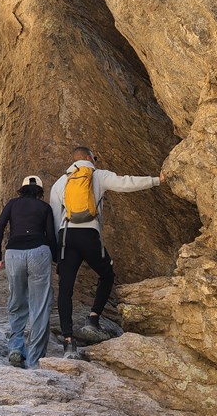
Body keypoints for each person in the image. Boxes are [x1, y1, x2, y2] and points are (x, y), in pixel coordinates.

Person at [50, 146, 164, 359]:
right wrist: (155, 180)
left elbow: (56, 216)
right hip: (89, 235)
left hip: (67, 236)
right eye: (94, 156)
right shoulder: (98, 175)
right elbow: (125, 183)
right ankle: (93, 319)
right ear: (87, 157)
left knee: (65, 288)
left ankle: (68, 343)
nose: (96, 159)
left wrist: (59, 247)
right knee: (107, 274)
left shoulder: (60, 182)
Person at [0, 175, 57, 369]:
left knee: (17, 301)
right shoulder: (45, 208)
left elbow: (0, 225)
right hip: (39, 251)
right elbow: (51, 235)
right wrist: (56, 259)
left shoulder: (12, 204)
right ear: (40, 191)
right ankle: (35, 360)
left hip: (14, 253)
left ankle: (16, 349)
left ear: (22, 189)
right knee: (40, 306)